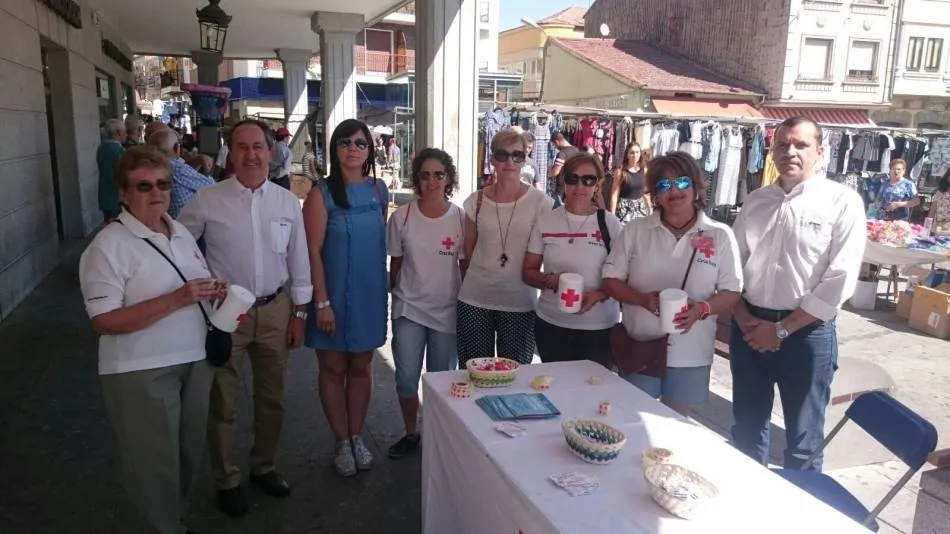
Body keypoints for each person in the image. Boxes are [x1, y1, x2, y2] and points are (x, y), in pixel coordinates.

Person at [79, 146, 226, 534]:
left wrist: (213, 290)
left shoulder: (177, 231)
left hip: (194, 359)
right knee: (154, 464)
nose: (156, 193)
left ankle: (173, 519)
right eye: (144, 186)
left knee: (187, 453)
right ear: (124, 193)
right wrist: (180, 297)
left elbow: (191, 282)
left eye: (162, 184)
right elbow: (104, 320)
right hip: (141, 368)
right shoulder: (107, 246)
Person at [178, 119, 312, 517]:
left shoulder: (287, 201)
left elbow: (298, 258)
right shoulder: (207, 199)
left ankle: (264, 466)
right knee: (223, 402)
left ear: (270, 153)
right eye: (242, 147)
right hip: (226, 314)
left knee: (273, 399)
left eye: (258, 146)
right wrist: (201, 283)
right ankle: (227, 479)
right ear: (229, 153)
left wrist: (300, 311)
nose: (251, 154)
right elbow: (178, 245)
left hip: (275, 310)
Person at [730, 116, 866, 471]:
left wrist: (781, 330)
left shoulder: (842, 202)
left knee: (804, 443)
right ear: (772, 151)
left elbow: (839, 279)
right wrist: (746, 320)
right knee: (746, 430)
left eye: (800, 145)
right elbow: (732, 269)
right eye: (783, 144)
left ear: (820, 152)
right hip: (749, 329)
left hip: (807, 336)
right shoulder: (756, 201)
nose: (790, 151)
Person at [602, 152, 742, 416]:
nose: (674, 190)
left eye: (682, 181)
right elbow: (610, 280)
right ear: (654, 193)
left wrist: (701, 309)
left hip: (692, 351)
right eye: (664, 185)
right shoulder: (635, 231)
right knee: (632, 419)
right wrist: (641, 299)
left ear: (697, 186)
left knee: (675, 424)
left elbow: (732, 290)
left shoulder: (720, 235)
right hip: (640, 345)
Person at [302, 119, 389, 477]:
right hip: (333, 295)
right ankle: (341, 440)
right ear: (334, 148)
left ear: (369, 150)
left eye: (360, 143)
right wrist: (321, 302)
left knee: (361, 367)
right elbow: (312, 251)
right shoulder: (320, 193)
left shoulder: (380, 190)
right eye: (344, 142)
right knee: (333, 368)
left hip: (369, 292)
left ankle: (357, 437)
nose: (353, 148)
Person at [386, 148, 464, 459]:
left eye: (439, 174)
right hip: (409, 309)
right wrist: (395, 295)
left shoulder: (460, 219)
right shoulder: (401, 216)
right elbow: (396, 262)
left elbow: (466, 267)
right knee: (406, 377)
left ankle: (436, 434)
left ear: (448, 178)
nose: (432, 181)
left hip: (447, 311)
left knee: (440, 380)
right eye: (425, 174)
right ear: (417, 178)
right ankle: (411, 432)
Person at [458, 128, 554, 366]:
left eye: (517, 155)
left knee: (517, 377)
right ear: (492, 159)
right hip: (475, 299)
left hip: (520, 301)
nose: (509, 161)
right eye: (502, 155)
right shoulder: (476, 201)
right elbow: (467, 253)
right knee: (474, 372)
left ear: (525, 159)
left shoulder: (542, 203)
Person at [523, 152, 621, 365]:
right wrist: (550, 280)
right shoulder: (546, 220)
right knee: (554, 391)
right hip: (552, 325)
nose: (580, 186)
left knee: (594, 393)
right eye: (572, 178)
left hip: (599, 328)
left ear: (598, 184)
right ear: (563, 181)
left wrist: (598, 294)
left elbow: (626, 276)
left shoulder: (610, 224)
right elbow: (528, 272)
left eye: (588, 180)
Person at [147, 129, 214, 218]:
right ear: (176, 148)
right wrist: (206, 169)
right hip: (185, 223)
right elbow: (212, 187)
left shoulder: (150, 167)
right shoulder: (176, 169)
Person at [609, 142, 652, 222]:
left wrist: (650, 210)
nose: (635, 155)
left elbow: (645, 193)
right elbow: (614, 195)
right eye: (632, 153)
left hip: (640, 209)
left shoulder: (644, 170)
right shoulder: (620, 172)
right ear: (627, 155)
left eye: (637, 152)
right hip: (624, 209)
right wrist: (612, 216)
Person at [97, 118, 127, 221]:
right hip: (117, 198)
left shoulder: (101, 148)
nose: (126, 135)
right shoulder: (120, 151)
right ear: (118, 132)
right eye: (124, 132)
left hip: (104, 196)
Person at [549, 132, 580, 203]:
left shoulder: (562, 154)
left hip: (562, 190)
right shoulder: (577, 151)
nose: (555, 147)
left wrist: (550, 171)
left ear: (557, 142)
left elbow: (555, 172)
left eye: (554, 145)